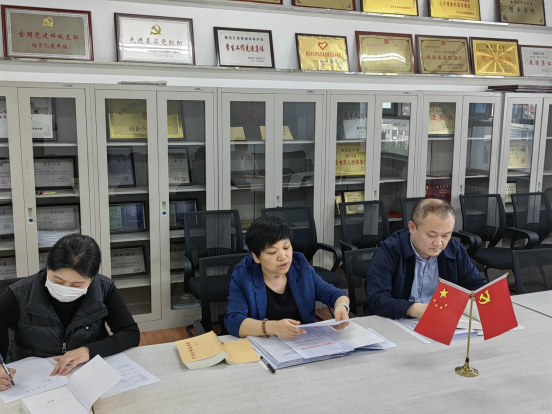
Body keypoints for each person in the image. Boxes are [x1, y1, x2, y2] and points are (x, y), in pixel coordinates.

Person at [0, 234, 140, 391]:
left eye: (77, 284)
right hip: (32, 378)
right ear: (48, 267)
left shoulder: (104, 288)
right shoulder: (18, 294)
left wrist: (88, 350)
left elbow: (130, 333)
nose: (65, 288)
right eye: (57, 280)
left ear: (92, 278)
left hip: (85, 373)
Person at [225, 216, 350, 340]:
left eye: (286, 247)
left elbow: (335, 294)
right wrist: (272, 327)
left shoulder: (300, 267)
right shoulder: (244, 274)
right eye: (272, 252)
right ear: (256, 257)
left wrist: (341, 307)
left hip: (303, 343)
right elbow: (233, 321)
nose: (282, 256)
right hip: (265, 346)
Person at [366, 198, 487, 319]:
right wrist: (411, 308)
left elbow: (477, 285)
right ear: (412, 227)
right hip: (401, 319)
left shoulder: (455, 250)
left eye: (446, 235)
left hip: (443, 318)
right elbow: (376, 299)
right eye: (431, 235)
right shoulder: (390, 250)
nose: (438, 243)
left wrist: (478, 298)